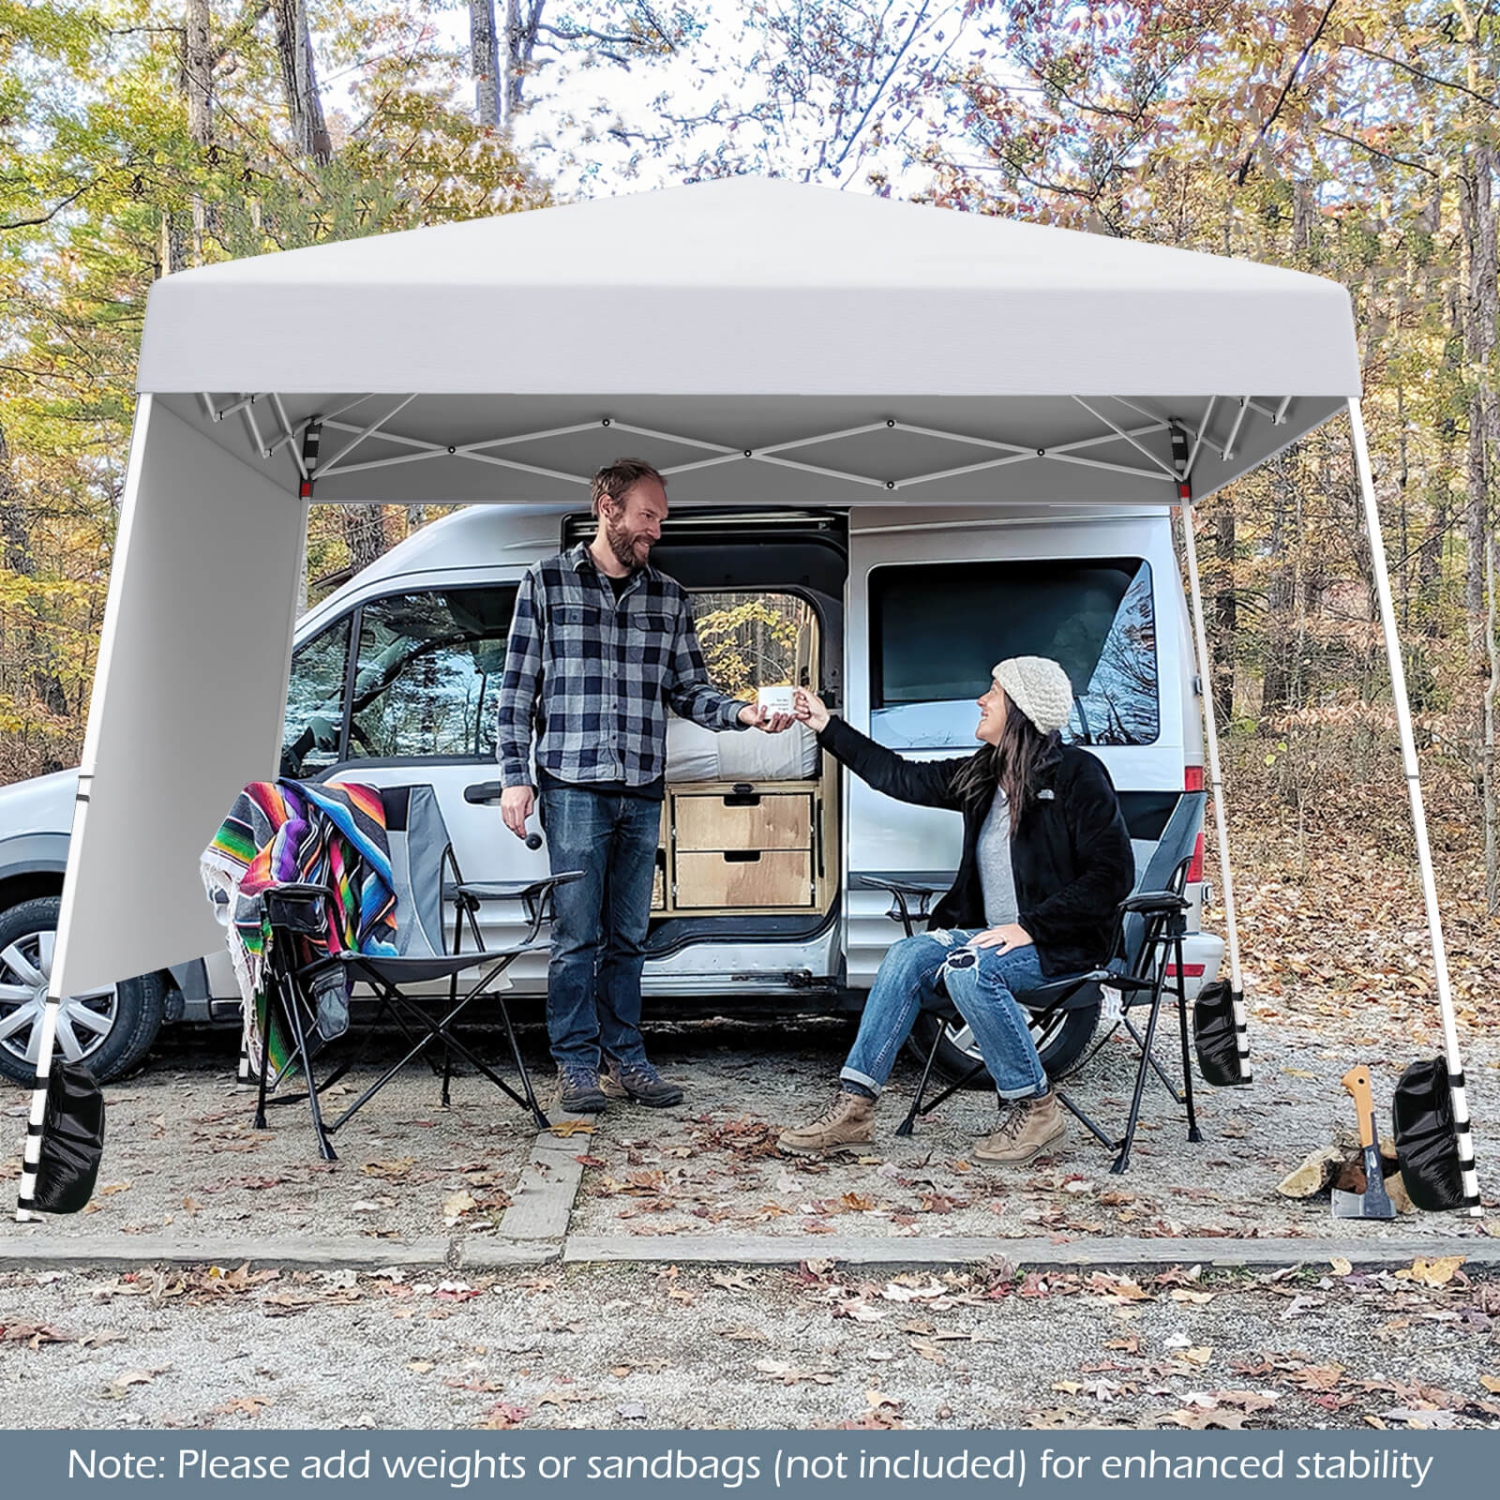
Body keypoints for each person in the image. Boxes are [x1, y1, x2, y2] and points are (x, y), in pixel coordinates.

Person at [496, 458, 792, 1114]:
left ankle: (626, 1058)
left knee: (628, 936)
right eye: (647, 516)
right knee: (576, 937)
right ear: (607, 508)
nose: (656, 530)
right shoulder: (544, 584)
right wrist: (515, 780)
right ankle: (576, 1065)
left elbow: (687, 689)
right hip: (571, 785)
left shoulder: (669, 597)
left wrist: (743, 713)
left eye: (661, 518)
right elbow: (516, 693)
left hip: (640, 788)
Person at [778, 656, 1135, 1163]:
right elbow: (898, 776)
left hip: (1060, 944)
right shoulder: (985, 773)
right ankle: (854, 1109)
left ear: (1021, 709)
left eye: (993, 691)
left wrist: (1029, 928)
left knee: (971, 971)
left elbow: (1112, 876)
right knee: (907, 955)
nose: (982, 700)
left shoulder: (1079, 774)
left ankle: (1037, 1109)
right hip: (991, 938)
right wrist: (826, 725)